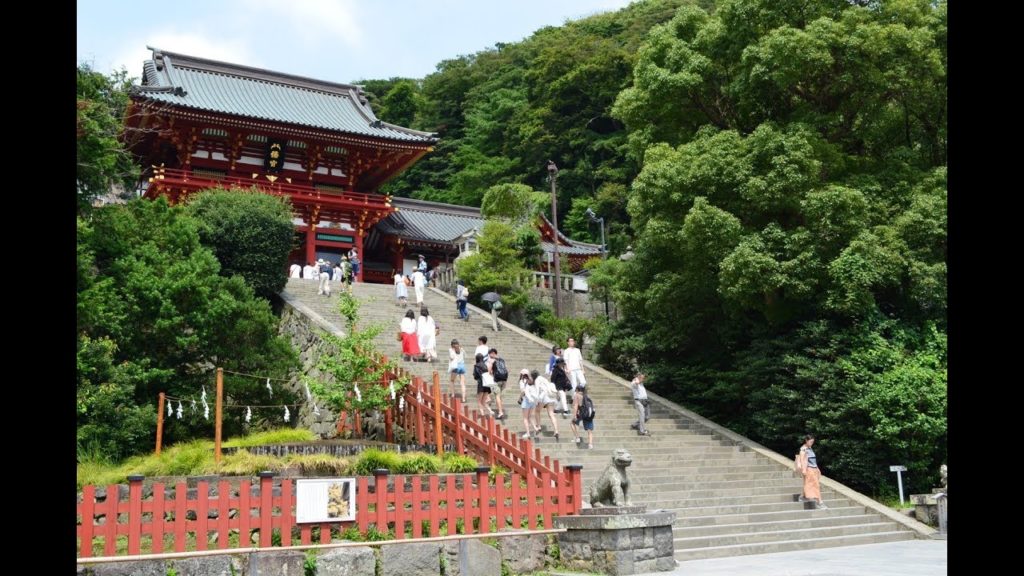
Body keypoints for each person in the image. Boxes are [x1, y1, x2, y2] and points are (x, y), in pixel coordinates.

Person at [798, 434, 827, 509]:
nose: (812, 443)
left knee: (808, 484)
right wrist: (804, 470)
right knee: (816, 485)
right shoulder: (803, 449)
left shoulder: (809, 448)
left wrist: (817, 468)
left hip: (813, 469)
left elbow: (813, 460)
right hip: (809, 469)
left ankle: (802, 497)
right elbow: (802, 460)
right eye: (811, 442)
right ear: (806, 441)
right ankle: (819, 502)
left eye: (813, 442)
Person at [531, 369, 560, 442]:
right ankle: (556, 430)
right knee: (551, 414)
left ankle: (539, 426)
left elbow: (537, 391)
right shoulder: (544, 378)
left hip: (544, 397)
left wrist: (536, 401)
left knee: (537, 411)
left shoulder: (537, 380)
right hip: (551, 397)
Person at [517, 369, 544, 440]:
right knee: (530, 416)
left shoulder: (522, 381)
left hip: (526, 400)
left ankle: (528, 433)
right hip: (533, 401)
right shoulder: (532, 380)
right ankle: (536, 428)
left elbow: (523, 391)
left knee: (525, 418)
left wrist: (520, 398)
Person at [571, 384, 595, 449]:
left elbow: (575, 406)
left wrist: (574, 415)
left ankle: (577, 437)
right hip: (588, 414)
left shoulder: (577, 395)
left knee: (573, 423)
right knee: (589, 430)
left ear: (577, 390)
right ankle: (590, 444)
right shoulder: (586, 396)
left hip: (581, 413)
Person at [488, 348, 508, 420]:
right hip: (504, 380)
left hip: (497, 380)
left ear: (493, 353)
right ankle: (500, 409)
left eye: (489, 354)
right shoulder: (502, 360)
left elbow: (489, 371)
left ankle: (500, 412)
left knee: (497, 396)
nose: (489, 356)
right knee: (499, 396)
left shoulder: (492, 360)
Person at [472, 352, 495, 418]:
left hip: (481, 384)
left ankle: (482, 414)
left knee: (479, 401)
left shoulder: (476, 366)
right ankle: (490, 411)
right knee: (483, 401)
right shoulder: (485, 365)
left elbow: (475, 376)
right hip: (487, 385)